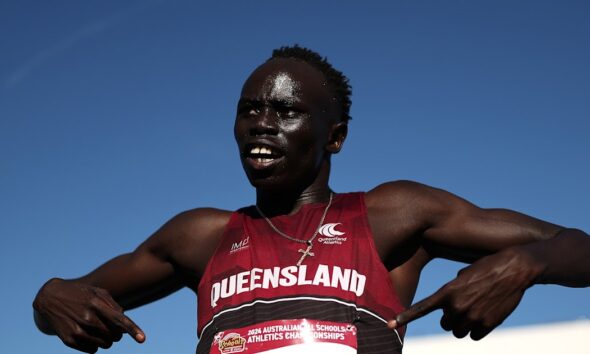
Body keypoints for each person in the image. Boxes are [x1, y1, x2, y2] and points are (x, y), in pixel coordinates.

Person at [33, 45, 590, 354]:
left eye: (285, 111)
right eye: (249, 109)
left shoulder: (391, 215)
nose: (262, 125)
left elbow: (578, 249)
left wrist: (524, 264)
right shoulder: (199, 236)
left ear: (335, 136)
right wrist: (47, 296)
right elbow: (67, 298)